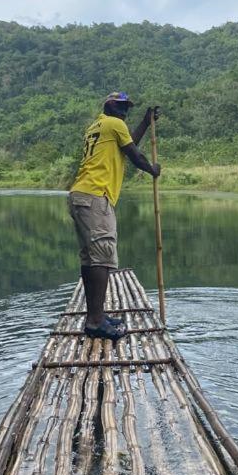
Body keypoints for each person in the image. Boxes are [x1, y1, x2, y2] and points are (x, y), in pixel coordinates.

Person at [68, 92, 160, 339]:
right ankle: (95, 322)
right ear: (108, 105)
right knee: (102, 259)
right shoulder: (114, 124)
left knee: (90, 260)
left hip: (80, 195)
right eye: (120, 106)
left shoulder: (97, 126)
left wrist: (145, 122)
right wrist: (152, 170)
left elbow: (128, 145)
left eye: (126, 107)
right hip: (96, 196)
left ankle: (94, 316)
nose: (123, 111)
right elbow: (135, 155)